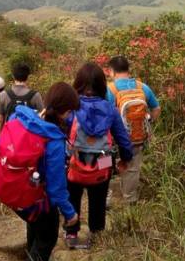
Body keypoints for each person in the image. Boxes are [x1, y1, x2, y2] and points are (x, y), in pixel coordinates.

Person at [5, 82, 80, 261]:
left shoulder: (21, 119)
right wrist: (70, 214)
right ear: (64, 111)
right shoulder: (53, 139)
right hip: (38, 197)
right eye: (70, 111)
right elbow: (56, 188)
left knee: (35, 225)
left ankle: (30, 256)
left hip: (15, 190)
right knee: (46, 239)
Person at [64, 62, 134, 249]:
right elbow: (123, 139)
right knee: (98, 200)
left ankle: (71, 234)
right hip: (103, 163)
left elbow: (60, 135)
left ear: (78, 83)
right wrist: (125, 159)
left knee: (72, 198)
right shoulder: (110, 110)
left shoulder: (71, 109)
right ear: (102, 84)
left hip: (74, 162)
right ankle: (96, 235)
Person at [107, 56, 161, 204]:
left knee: (107, 167)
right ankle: (130, 199)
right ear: (128, 70)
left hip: (114, 138)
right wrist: (147, 121)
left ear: (111, 71)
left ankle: (106, 201)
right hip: (137, 136)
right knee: (132, 168)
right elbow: (156, 108)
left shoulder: (109, 89)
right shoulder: (142, 87)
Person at [0, 62, 44, 132]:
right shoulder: (35, 95)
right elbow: (42, 117)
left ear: (13, 76)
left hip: (10, 136)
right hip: (29, 136)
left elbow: (0, 119)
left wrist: (1, 136)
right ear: (27, 76)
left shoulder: (3, 95)